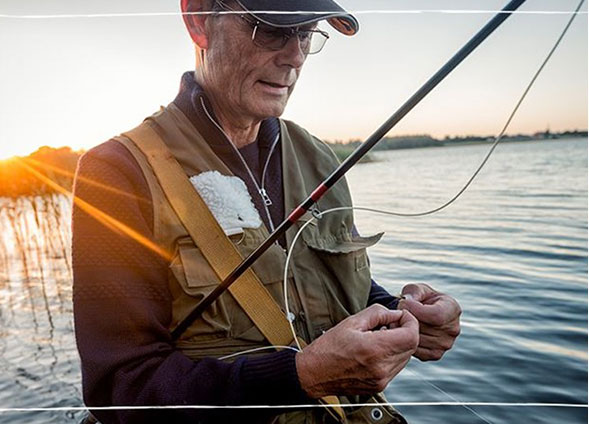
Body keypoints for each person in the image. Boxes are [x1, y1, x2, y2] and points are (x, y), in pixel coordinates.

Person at [72, 0, 462, 423]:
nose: (294, 55)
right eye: (270, 29)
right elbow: (120, 389)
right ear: (199, 20)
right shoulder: (117, 173)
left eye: (306, 33)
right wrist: (300, 376)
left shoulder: (319, 157)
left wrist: (403, 315)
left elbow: (327, 285)